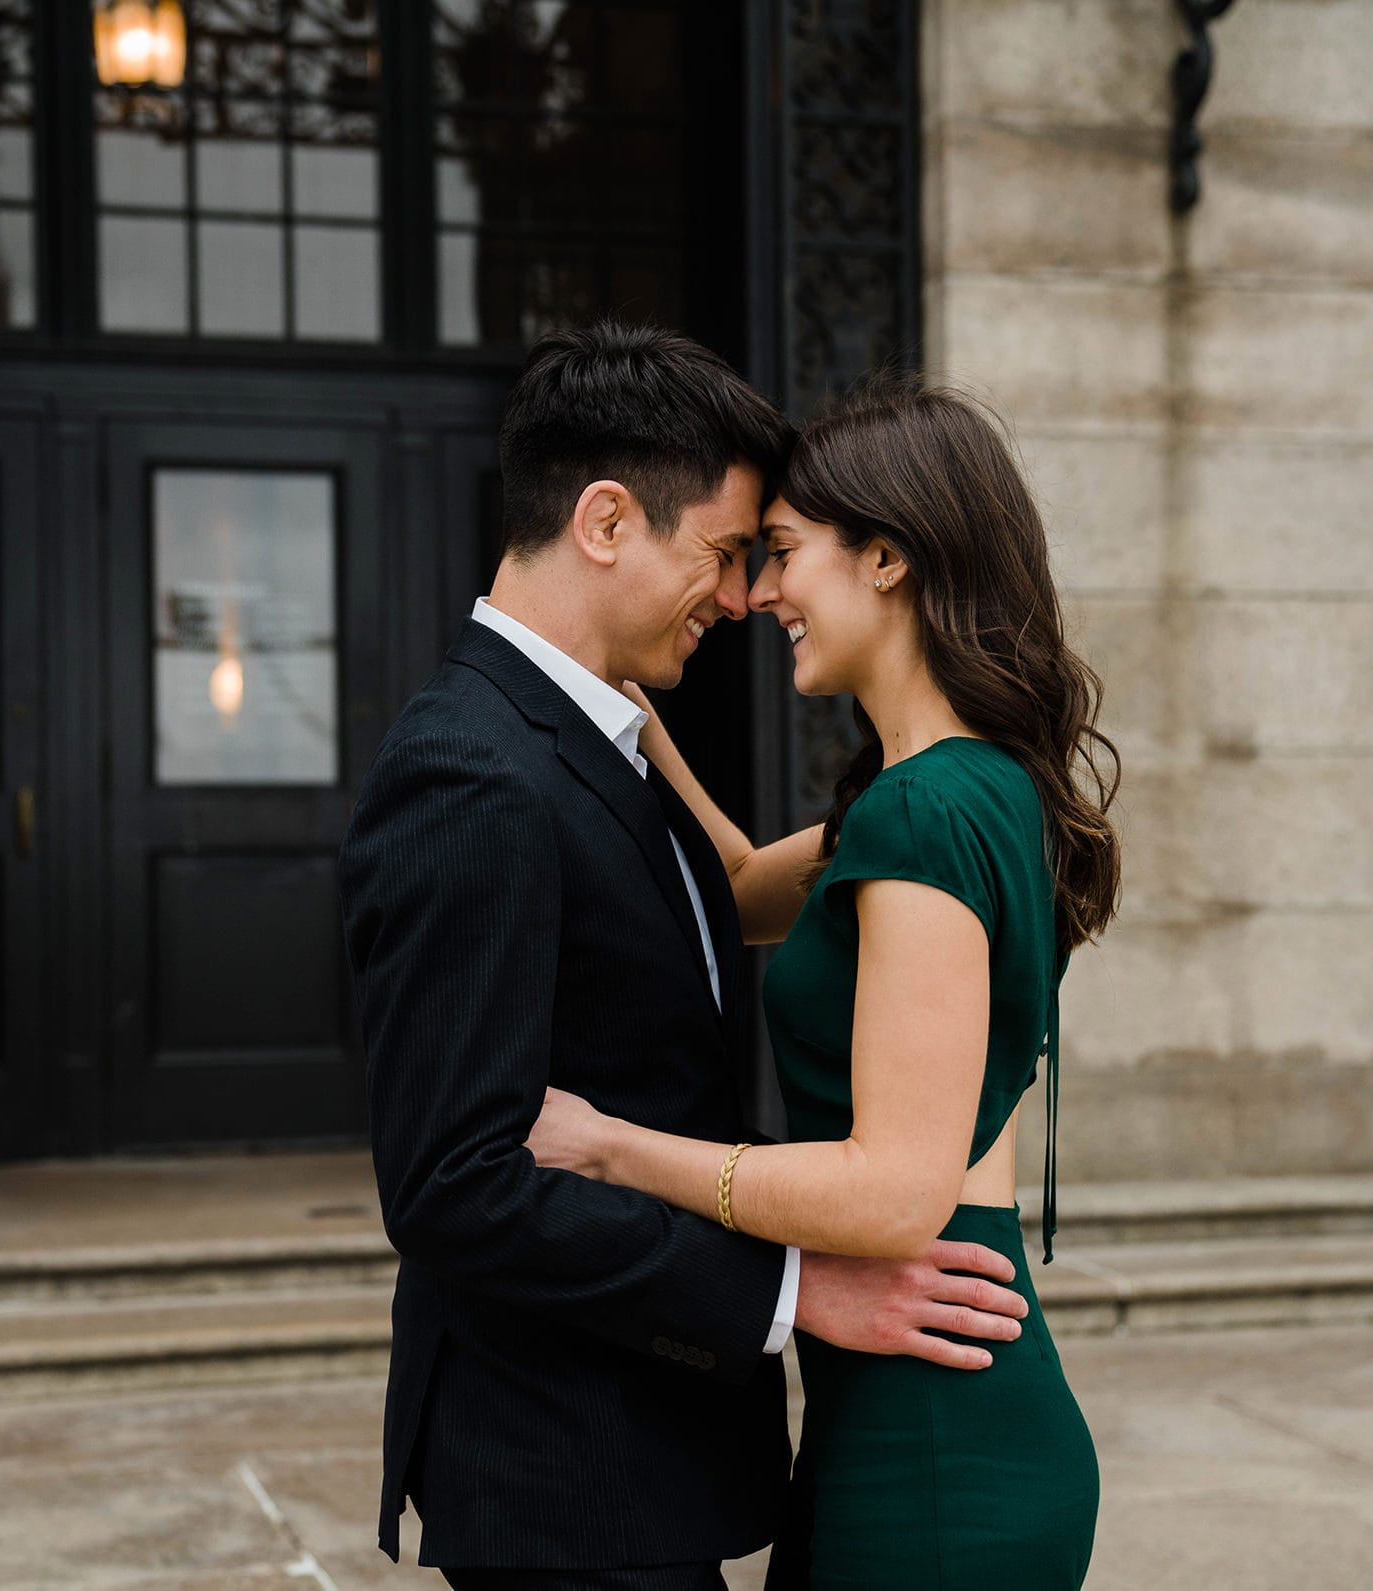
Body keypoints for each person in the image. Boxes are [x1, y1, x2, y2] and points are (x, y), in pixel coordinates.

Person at [339, 325, 1038, 1591]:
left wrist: (633, 724)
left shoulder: (622, 749)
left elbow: (719, 897)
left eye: (769, 558)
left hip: (665, 1459)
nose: (742, 596)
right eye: (725, 554)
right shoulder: (471, 772)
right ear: (606, 522)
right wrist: (784, 1291)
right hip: (562, 1469)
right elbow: (453, 1183)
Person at [527, 381, 1121, 1588]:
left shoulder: (924, 811)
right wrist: (624, 712)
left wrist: (611, 1149)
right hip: (916, 1414)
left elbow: (893, 1193)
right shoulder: (963, 788)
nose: (757, 596)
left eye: (785, 553)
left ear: (888, 557)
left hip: (937, 1449)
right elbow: (741, 887)